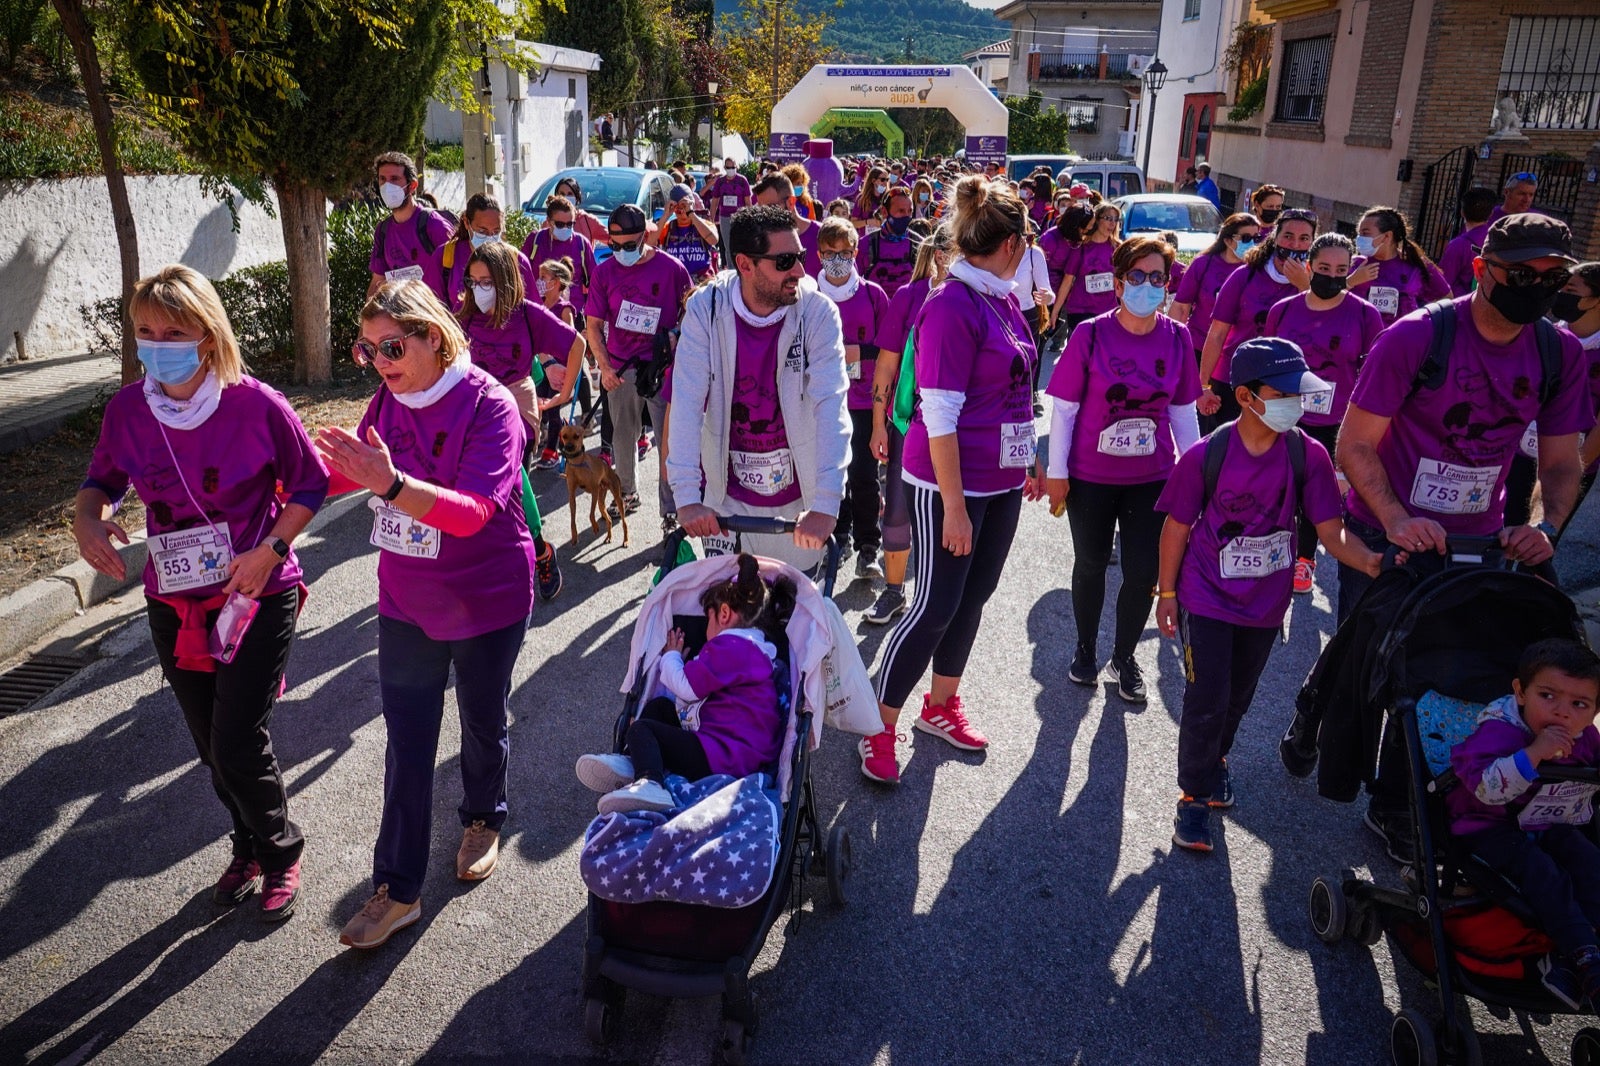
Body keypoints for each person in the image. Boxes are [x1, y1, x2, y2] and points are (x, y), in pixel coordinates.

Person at [76, 264, 328, 923]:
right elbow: (101, 479)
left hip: (256, 592)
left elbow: (310, 485)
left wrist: (271, 548)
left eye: (173, 331)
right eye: (144, 332)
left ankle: (279, 853)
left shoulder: (256, 404)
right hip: (175, 601)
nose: (156, 344)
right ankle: (245, 844)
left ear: (207, 336)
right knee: (210, 743)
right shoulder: (130, 409)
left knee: (239, 736)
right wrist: (87, 517)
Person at [1338, 214, 1592, 862]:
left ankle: (1417, 802)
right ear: (1482, 270)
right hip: (1387, 522)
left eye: (1553, 277)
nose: (1537, 286)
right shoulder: (1417, 339)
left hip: (1478, 541)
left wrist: (1545, 526)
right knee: (1375, 665)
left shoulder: (1557, 353)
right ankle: (1348, 761)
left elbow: (1564, 461)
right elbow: (1356, 445)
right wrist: (1396, 520)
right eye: (1522, 274)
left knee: (1448, 671)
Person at [316, 281, 536, 950]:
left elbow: (472, 513)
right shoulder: (387, 398)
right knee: (407, 745)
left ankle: (482, 815)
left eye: (392, 345)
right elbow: (344, 472)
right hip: (406, 600)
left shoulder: (490, 405)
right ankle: (397, 889)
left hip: (487, 596)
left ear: (433, 338)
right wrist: (271, 486)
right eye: (368, 348)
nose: (379, 360)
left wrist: (390, 484)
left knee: (481, 719)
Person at [1154, 338, 1387, 852]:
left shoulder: (1309, 454)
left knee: (1237, 698)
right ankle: (1193, 797)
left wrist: (1370, 560)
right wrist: (1166, 592)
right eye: (1285, 394)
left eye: (1300, 395)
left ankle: (1215, 761)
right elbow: (1176, 526)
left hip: (1265, 606)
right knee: (1207, 698)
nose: (1296, 406)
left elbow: (1330, 532)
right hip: (1205, 597)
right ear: (1244, 396)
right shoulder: (1205, 455)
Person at [860, 177, 1036, 784]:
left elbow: (1014, 393)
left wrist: (1027, 460)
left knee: (971, 598)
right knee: (933, 605)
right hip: (947, 487)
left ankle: (940, 706)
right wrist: (955, 507)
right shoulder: (952, 304)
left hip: (1000, 482)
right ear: (1012, 243)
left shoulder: (1002, 299)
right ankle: (876, 723)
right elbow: (939, 416)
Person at [1040, 236, 1201, 702]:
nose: (1147, 286)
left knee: (1141, 571)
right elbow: (1065, 410)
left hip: (1151, 479)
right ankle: (1086, 649)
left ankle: (1124, 657)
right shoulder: (1091, 334)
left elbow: (1183, 413)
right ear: (1117, 283)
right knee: (1091, 563)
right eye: (1137, 277)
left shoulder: (1177, 338)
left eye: (1157, 279)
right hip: (1089, 477)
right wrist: (1057, 472)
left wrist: (1195, 477)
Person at [668, 205, 851, 570]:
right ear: (745, 265)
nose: (799, 270)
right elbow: (687, 403)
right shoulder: (707, 309)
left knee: (792, 616)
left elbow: (832, 407)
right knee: (729, 615)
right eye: (785, 260)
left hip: (798, 505)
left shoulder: (818, 313)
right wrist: (687, 497)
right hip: (727, 504)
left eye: (799, 256)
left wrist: (827, 504)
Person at [575, 554, 795, 813]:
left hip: (722, 756)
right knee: (660, 708)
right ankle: (631, 758)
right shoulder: (757, 653)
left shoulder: (729, 646)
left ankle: (650, 782)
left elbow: (687, 689)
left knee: (642, 729)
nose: (706, 632)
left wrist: (671, 656)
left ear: (723, 614)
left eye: (707, 620)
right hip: (739, 753)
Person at [1447, 639, 1600, 1007]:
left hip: (1549, 820)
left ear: (1594, 711)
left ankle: (1581, 945)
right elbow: (1484, 787)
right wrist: (1534, 754)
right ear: (1520, 692)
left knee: (1589, 862)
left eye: (1579, 704)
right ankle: (1582, 954)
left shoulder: (1586, 737)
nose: (1563, 713)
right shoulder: (1501, 732)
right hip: (1487, 824)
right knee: (1544, 873)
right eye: (1548, 696)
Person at [455, 247, 579, 603]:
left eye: (487, 282)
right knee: (490, 490)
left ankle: (539, 551)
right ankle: (507, 556)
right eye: (473, 282)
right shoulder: (461, 319)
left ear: (505, 282)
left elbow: (577, 344)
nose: (479, 290)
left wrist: (563, 395)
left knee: (510, 473)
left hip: (516, 404)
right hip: (472, 409)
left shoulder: (527, 316)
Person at [1263, 233, 1384, 594]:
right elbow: (1267, 364)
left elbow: (1375, 374)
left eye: (1341, 270)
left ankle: (1304, 559)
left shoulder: (1365, 314)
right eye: (1324, 268)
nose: (1332, 275)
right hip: (1286, 415)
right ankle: (1270, 551)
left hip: (1337, 420)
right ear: (1309, 267)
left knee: (1319, 493)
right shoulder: (1283, 310)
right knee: (1278, 488)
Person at [868, 223, 955, 625]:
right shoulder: (909, 296)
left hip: (959, 425)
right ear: (940, 254)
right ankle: (893, 591)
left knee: (951, 510)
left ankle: (939, 598)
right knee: (899, 506)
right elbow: (885, 366)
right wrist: (878, 425)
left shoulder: (979, 297)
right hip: (909, 422)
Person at [586, 204, 693, 526]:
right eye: (614, 246)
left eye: (629, 246)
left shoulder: (671, 268)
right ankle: (628, 493)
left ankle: (671, 508)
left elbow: (692, 311)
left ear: (646, 237)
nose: (621, 252)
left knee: (667, 439)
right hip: (621, 367)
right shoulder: (604, 272)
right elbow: (592, 325)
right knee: (623, 434)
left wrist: (676, 334)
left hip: (661, 367)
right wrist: (604, 368)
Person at [813, 217, 890, 580]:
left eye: (844, 253)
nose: (837, 260)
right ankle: (836, 539)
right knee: (830, 475)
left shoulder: (874, 295)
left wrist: (860, 352)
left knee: (864, 475)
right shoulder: (807, 296)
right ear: (818, 255)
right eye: (829, 253)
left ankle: (868, 548)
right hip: (821, 401)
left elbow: (891, 351)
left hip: (862, 401)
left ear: (856, 252)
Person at [1197, 208, 1317, 431]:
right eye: (1288, 236)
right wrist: (1203, 386)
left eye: (1304, 239)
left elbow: (1319, 330)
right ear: (1275, 237)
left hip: (1284, 386)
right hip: (1234, 380)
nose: (1294, 245)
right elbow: (1217, 334)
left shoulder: (1316, 283)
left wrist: (1305, 287)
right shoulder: (1246, 275)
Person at [1169, 214, 1260, 370]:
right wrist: (1170, 346)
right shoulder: (1203, 264)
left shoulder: (1258, 271)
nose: (1251, 243)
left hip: (1238, 353)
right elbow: (1181, 308)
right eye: (1245, 238)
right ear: (1227, 240)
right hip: (1199, 347)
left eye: (1256, 238)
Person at [425, 193, 535, 313]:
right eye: (482, 231)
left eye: (496, 231)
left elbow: (534, 314)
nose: (489, 237)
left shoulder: (517, 259)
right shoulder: (445, 256)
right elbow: (430, 308)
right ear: (467, 223)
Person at [368, 151, 456, 299]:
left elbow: (460, 275)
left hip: (436, 317)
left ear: (412, 186)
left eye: (394, 179)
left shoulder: (435, 225)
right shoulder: (382, 231)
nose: (387, 186)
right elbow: (378, 282)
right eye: (382, 179)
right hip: (402, 318)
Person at [1346, 206, 1451, 328]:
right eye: (1359, 234)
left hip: (1400, 340)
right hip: (1361, 338)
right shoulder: (1354, 263)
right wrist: (1351, 281)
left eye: (1365, 233)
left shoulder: (1416, 265)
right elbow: (1327, 297)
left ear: (1387, 236)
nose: (1359, 239)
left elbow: (1447, 299)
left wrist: (1422, 319)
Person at [1047, 202, 1122, 339]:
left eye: (1116, 219)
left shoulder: (1117, 248)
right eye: (1108, 218)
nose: (1112, 223)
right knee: (1081, 356)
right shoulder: (1080, 247)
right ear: (1096, 220)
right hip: (1080, 310)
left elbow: (1123, 282)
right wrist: (1055, 312)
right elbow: (1067, 280)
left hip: (1108, 311)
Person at [1556, 263, 1600, 486]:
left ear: (1596, 300)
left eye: (1570, 291)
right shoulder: (1548, 338)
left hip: (1574, 467)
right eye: (1561, 289)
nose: (1561, 295)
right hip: (1523, 456)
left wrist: (1574, 470)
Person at [523, 194, 597, 322]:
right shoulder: (536, 240)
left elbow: (595, 283)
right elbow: (521, 273)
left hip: (571, 315)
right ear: (549, 221)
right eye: (560, 224)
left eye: (570, 224)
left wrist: (590, 319)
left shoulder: (581, 244)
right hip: (538, 314)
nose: (565, 228)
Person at [753, 172, 822, 279]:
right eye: (761, 209)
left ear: (791, 202)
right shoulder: (761, 239)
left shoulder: (822, 235)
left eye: (771, 208)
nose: (765, 215)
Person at [652, 184, 721, 283]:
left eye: (684, 206)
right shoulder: (668, 227)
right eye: (678, 207)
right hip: (676, 281)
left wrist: (691, 214)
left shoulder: (704, 224)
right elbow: (650, 242)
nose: (682, 211)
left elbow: (713, 240)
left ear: (692, 204)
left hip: (701, 284)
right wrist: (666, 215)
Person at [857, 186, 918, 297]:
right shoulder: (865, 245)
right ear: (885, 212)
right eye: (901, 211)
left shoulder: (918, 245)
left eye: (910, 211)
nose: (907, 216)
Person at [1439, 188, 1500, 297]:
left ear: (1462, 212)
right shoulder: (1496, 239)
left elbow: (1442, 284)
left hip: (1459, 304)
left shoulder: (1458, 245)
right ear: (1491, 214)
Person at [705, 158, 753, 254]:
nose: (731, 169)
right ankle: (731, 268)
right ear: (724, 168)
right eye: (728, 167)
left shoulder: (742, 180)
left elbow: (748, 201)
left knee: (739, 245)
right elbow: (715, 202)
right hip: (725, 217)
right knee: (728, 246)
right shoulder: (720, 181)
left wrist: (751, 218)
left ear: (736, 167)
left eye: (733, 167)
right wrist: (711, 220)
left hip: (740, 217)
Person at [549, 176, 610, 246]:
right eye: (562, 194)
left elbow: (614, 241)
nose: (565, 198)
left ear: (577, 197)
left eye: (570, 194)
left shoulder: (589, 220)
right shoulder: (549, 222)